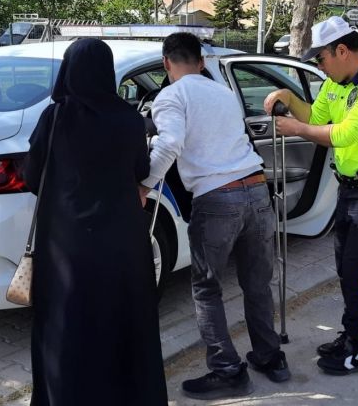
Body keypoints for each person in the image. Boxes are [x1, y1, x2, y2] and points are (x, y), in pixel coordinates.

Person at [140, 32, 291, 401]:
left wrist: (143, 186)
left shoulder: (171, 95)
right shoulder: (223, 93)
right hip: (257, 190)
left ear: (166, 63)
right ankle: (271, 359)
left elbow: (170, 143)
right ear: (202, 61)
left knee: (207, 288)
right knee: (257, 282)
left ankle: (227, 370)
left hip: (217, 198)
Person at [23, 38, 168, 405]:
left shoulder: (54, 117)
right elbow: (141, 170)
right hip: (122, 241)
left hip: (65, 244)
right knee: (122, 321)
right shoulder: (129, 119)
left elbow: (31, 176)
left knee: (66, 326)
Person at [264, 16, 358, 375]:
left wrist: (295, 128)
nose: (319, 66)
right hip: (350, 189)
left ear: (341, 50)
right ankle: (352, 336)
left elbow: (342, 134)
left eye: (321, 59)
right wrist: (287, 97)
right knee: (347, 270)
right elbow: (315, 114)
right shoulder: (335, 84)